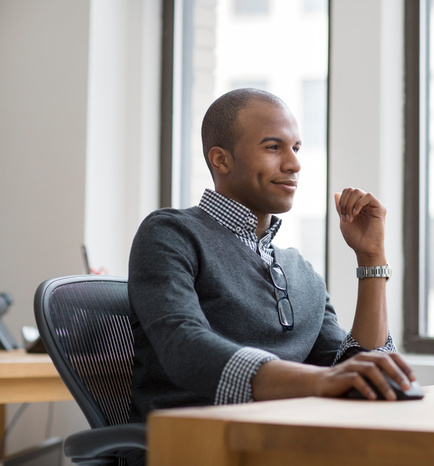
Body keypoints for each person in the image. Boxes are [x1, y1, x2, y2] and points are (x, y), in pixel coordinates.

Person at [127, 88, 416, 429]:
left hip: (287, 441)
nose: (294, 164)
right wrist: (320, 382)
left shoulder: (300, 271)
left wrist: (371, 259)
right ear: (221, 159)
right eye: (273, 147)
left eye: (295, 148)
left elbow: (353, 372)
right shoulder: (171, 233)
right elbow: (184, 348)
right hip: (195, 444)